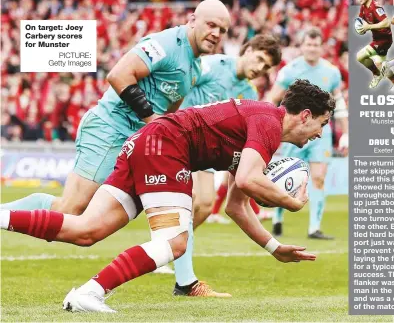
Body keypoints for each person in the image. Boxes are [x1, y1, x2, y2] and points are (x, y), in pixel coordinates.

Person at [1, 79, 334, 313]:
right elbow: (249, 179)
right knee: (175, 241)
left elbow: (236, 204)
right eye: (321, 123)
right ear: (304, 115)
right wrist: (289, 201)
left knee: (86, 230)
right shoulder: (269, 122)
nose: (320, 133)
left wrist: (274, 248)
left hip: (148, 142)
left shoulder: (260, 125)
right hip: (167, 146)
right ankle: (90, 292)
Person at [1, 0, 231, 295]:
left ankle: (186, 282)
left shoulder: (195, 67)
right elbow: (119, 75)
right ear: (193, 19)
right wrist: (153, 121)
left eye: (222, 30)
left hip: (138, 141)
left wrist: (167, 135)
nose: (215, 33)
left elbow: (170, 110)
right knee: (70, 210)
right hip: (110, 129)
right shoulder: (166, 44)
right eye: (211, 25)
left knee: (180, 202)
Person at [172, 34, 281, 297]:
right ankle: (175, 261)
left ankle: (171, 250)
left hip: (206, 152)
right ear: (248, 49)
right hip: (180, 135)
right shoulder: (214, 65)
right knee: (197, 200)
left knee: (205, 204)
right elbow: (181, 84)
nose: (259, 69)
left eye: (266, 67)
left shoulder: (250, 93)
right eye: (259, 59)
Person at [267, 27, 349, 240]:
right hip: (292, 132)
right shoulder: (290, 70)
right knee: (285, 177)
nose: (312, 48)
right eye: (308, 44)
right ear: (302, 46)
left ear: (321, 47)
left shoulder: (331, 72)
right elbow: (272, 99)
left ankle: (314, 228)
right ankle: (277, 218)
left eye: (316, 44)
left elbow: (338, 103)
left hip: (321, 134)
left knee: (319, 178)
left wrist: (346, 133)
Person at [356, 0, 392, 88]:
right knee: (382, 66)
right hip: (376, 40)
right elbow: (360, 21)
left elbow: (387, 23)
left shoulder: (375, 7)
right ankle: (378, 73)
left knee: (361, 56)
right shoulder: (363, 7)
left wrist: (369, 27)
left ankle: (377, 74)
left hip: (384, 40)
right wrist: (360, 28)